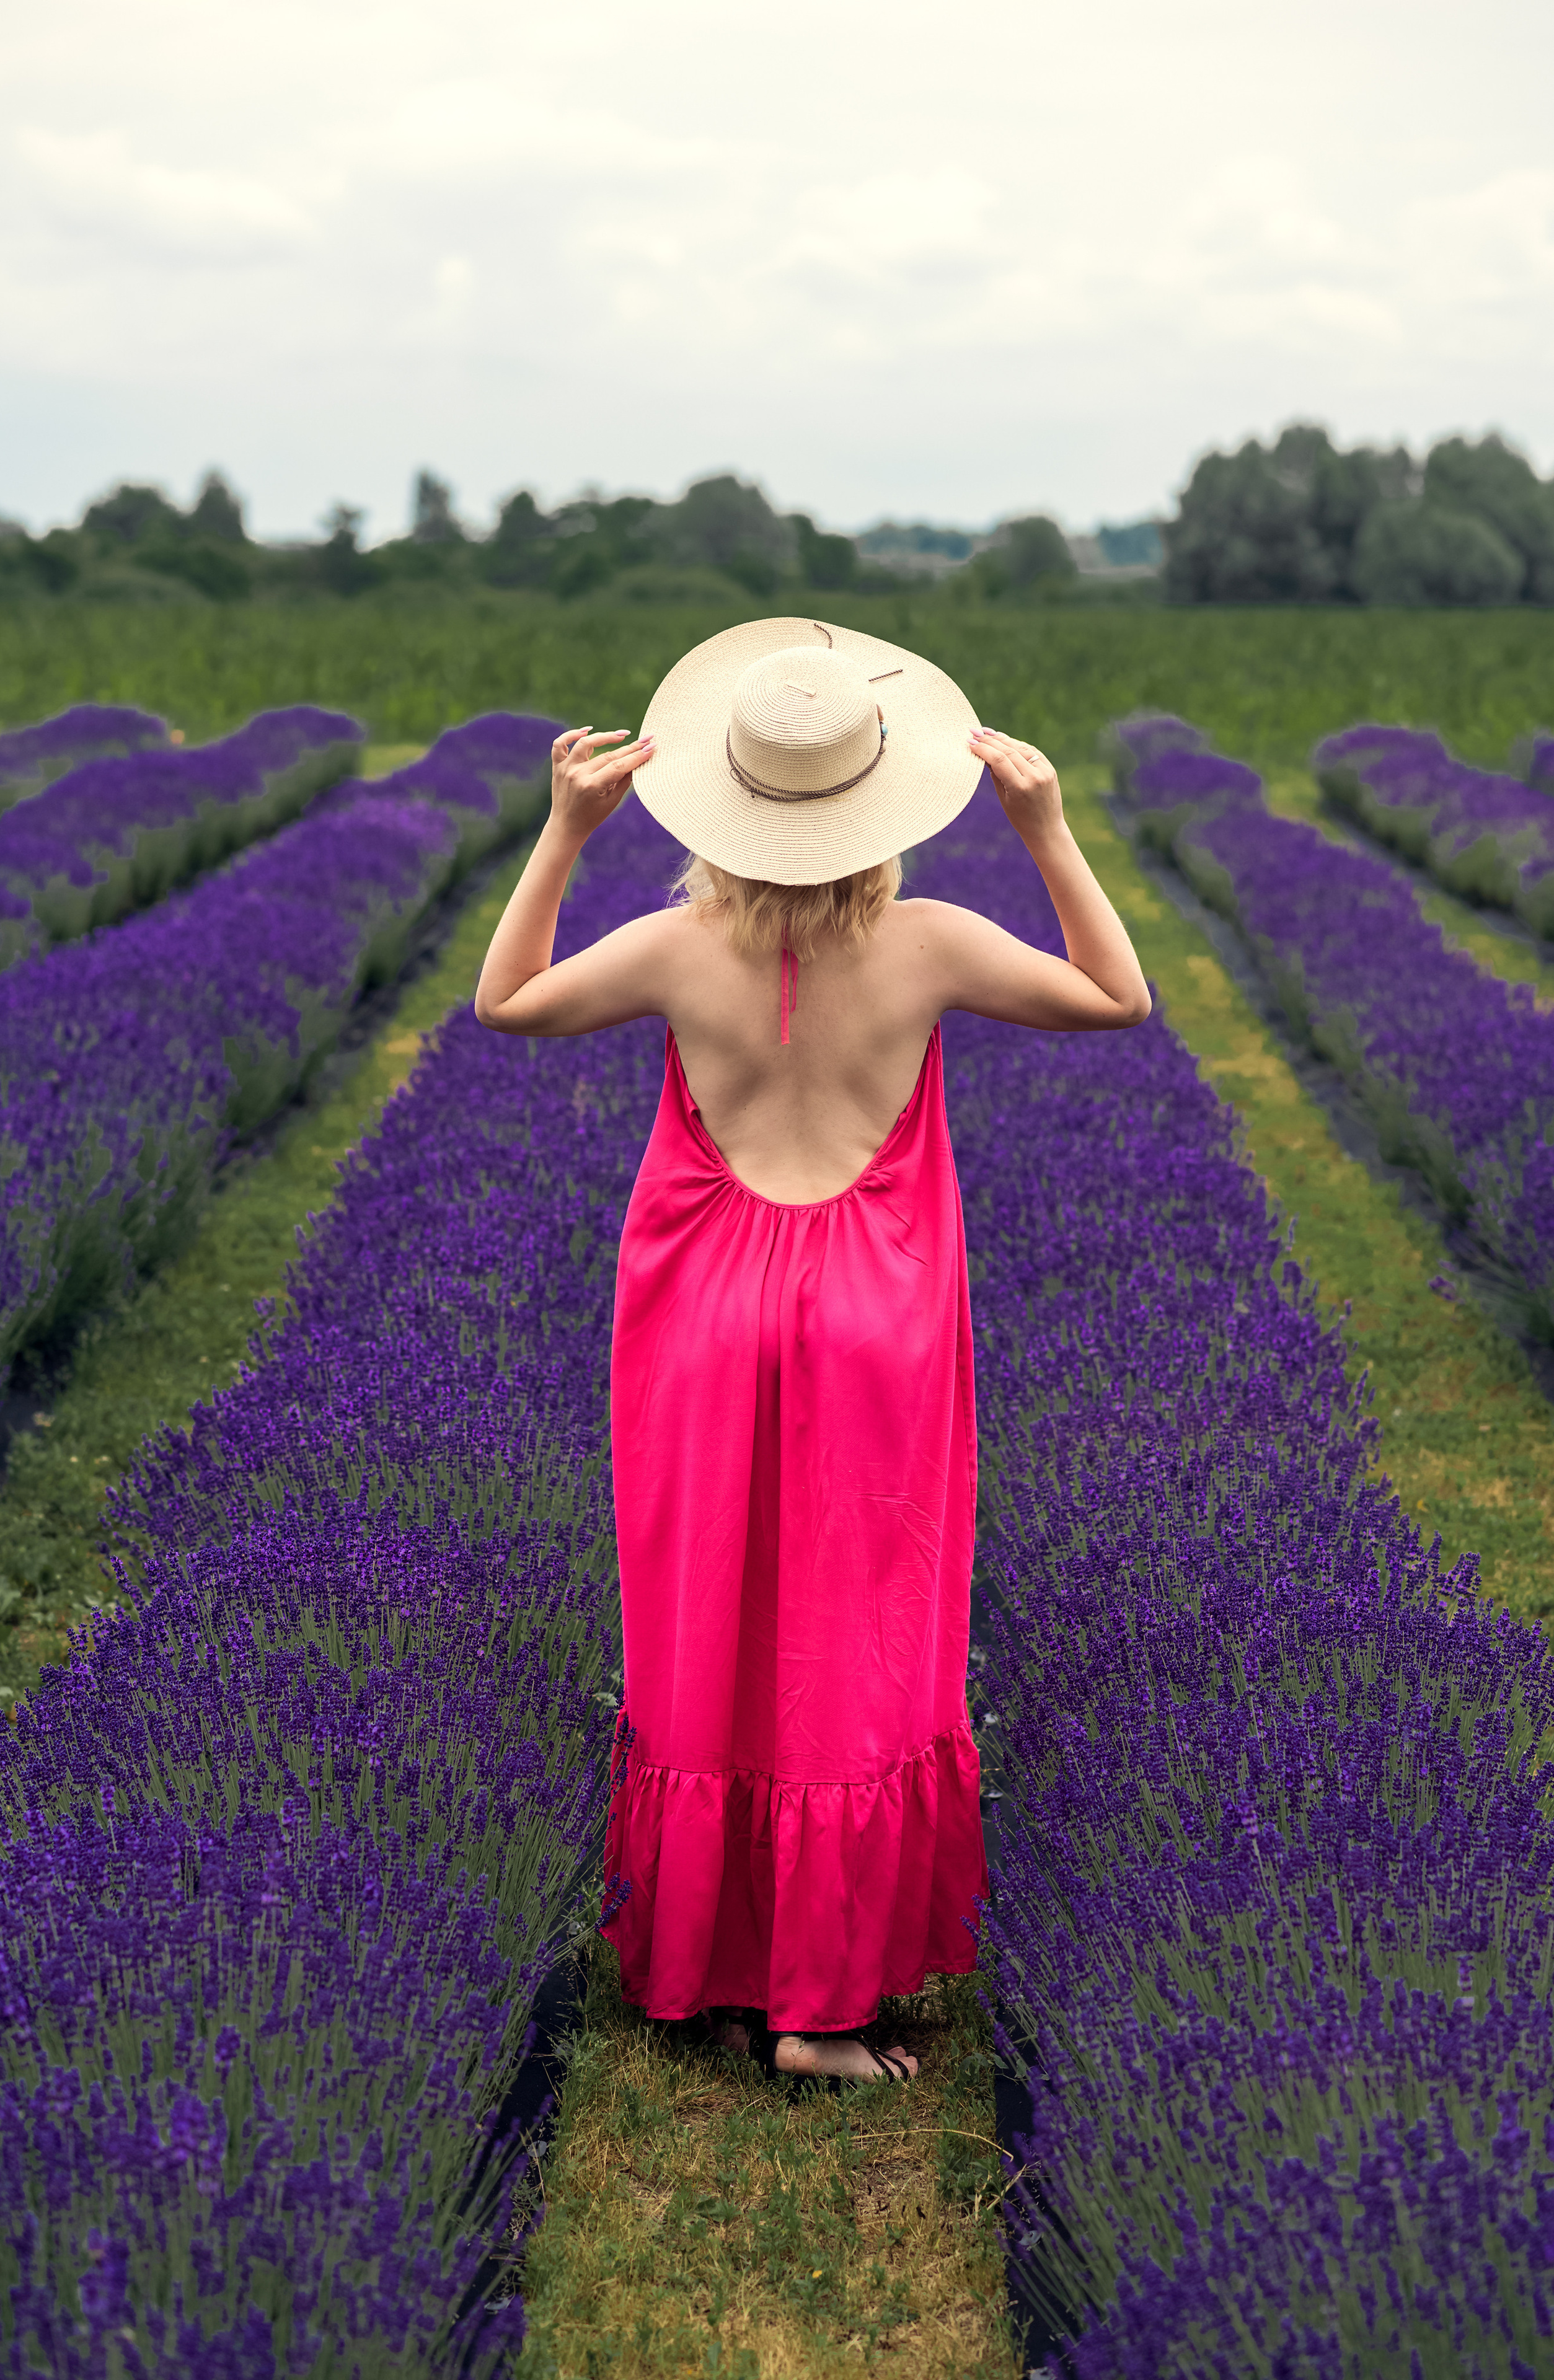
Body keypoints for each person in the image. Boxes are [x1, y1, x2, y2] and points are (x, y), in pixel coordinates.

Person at [475, 619, 1149, 2085]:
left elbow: (505, 1002)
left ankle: (703, 1968)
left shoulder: (672, 946)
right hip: (874, 1319)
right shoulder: (923, 944)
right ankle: (818, 2009)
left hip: (699, 1314)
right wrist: (1045, 830)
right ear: (878, 795)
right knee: (860, 1630)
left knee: (701, 1618)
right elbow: (1118, 997)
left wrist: (561, 831)